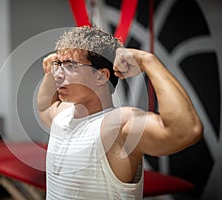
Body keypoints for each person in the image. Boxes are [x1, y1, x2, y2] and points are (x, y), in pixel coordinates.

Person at [37, 26, 203, 200]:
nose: (58, 75)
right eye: (59, 65)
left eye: (70, 65)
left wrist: (148, 61)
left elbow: (186, 130)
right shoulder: (62, 116)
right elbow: (44, 107)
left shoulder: (117, 125)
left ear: (101, 76)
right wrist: (50, 71)